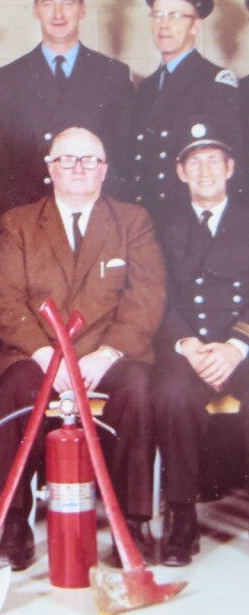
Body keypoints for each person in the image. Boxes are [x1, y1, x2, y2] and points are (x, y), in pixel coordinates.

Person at [0, 127, 164, 571]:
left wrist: (106, 355)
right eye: (67, 160)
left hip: (110, 352)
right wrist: (46, 356)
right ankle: (13, 526)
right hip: (38, 352)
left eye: (89, 160)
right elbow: (4, 299)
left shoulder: (132, 220)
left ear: (105, 169)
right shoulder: (19, 222)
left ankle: (133, 525)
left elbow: (146, 296)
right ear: (50, 169)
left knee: (139, 392)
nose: (79, 168)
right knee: (12, 395)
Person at [152, 136, 249, 566]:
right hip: (187, 345)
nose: (205, 171)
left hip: (241, 345)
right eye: (194, 163)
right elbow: (154, 294)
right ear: (180, 172)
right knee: (170, 397)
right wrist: (189, 345)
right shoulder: (160, 223)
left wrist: (235, 346)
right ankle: (182, 517)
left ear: (230, 168)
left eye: (213, 161)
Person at [0, 0, 134, 216]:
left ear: (82, 10)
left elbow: (123, 159)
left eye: (68, 3)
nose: (58, 14)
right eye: (48, 3)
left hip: (95, 215)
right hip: (31, 218)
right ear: (35, 10)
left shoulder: (113, 76)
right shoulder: (9, 80)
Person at [128, 0, 243, 219]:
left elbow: (227, 171)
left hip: (187, 223)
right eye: (157, 15)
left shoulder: (215, 83)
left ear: (196, 26)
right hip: (146, 221)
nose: (164, 25)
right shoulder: (146, 87)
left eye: (176, 16)